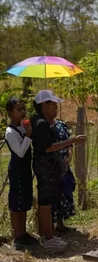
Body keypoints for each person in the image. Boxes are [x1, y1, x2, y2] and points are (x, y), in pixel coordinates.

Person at [31, 90, 87, 254]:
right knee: (45, 204)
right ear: (44, 105)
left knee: (46, 203)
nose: (56, 107)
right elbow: (48, 147)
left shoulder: (42, 122)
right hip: (45, 166)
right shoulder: (41, 124)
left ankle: (47, 236)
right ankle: (49, 240)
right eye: (52, 104)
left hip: (48, 166)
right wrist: (73, 141)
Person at [4, 97, 39, 251]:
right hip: (17, 170)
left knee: (24, 201)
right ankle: (18, 237)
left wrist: (28, 132)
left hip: (25, 169)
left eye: (23, 108)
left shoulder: (23, 128)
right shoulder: (10, 131)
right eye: (19, 109)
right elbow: (19, 152)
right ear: (11, 112)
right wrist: (29, 136)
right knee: (16, 202)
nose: (22, 112)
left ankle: (24, 233)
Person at [51, 119, 77, 234]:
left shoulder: (61, 124)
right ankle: (51, 227)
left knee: (66, 191)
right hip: (52, 167)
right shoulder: (44, 126)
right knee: (54, 194)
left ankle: (61, 224)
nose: (55, 109)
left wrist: (69, 156)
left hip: (65, 166)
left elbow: (69, 143)